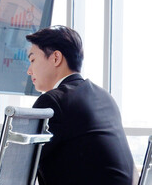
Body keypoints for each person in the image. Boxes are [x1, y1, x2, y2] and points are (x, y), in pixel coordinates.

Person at [25, 25, 134, 184]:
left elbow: (18, 159)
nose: (29, 70)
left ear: (56, 58)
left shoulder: (54, 101)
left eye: (33, 60)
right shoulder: (104, 97)